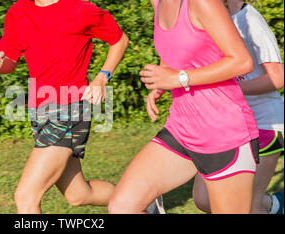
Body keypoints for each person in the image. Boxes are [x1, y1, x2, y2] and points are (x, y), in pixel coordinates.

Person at [108, 0, 259, 214]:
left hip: (224, 134)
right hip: (181, 129)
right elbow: (175, 49)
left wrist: (179, 78)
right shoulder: (158, 3)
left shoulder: (201, 3)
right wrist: (162, 81)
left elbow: (242, 61)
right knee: (123, 207)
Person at [0, 0, 131, 214]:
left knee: (26, 197)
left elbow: (120, 40)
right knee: (79, 194)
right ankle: (139, 201)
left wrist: (102, 78)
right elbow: (9, 61)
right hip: (39, 112)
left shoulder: (79, 9)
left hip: (70, 109)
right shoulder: (19, 12)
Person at [192, 0, 284, 214]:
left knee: (248, 207)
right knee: (203, 199)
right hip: (230, 124)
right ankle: (275, 206)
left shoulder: (250, 20)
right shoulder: (213, 18)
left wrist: (232, 89)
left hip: (266, 123)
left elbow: (277, 77)